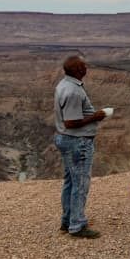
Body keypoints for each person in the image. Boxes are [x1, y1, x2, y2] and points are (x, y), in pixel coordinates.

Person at [53, 54, 111, 239]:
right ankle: (77, 225)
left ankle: (68, 219)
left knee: (70, 181)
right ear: (78, 70)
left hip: (66, 139)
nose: (86, 67)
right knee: (80, 184)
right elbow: (71, 122)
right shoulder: (73, 92)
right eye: (83, 65)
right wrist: (96, 116)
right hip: (77, 142)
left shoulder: (63, 85)